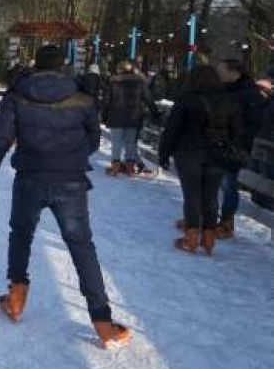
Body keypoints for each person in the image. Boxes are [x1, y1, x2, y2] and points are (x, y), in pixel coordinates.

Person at [0, 44, 132, 349]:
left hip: (30, 178)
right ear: (64, 66)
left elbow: (0, 140)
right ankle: (102, 323)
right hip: (70, 182)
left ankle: (16, 299)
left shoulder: (18, 94)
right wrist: (70, 157)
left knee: (20, 236)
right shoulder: (82, 97)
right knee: (81, 247)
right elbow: (93, 140)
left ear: (37, 65)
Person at [158, 64, 244, 255]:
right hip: (217, 154)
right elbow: (238, 132)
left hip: (189, 152)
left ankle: (191, 237)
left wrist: (164, 154)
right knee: (211, 196)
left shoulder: (186, 100)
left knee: (192, 195)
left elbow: (172, 129)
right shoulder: (229, 101)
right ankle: (209, 238)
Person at [213, 59, 268, 238]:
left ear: (234, 72)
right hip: (220, 144)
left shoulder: (249, 94)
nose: (219, 74)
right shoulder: (226, 91)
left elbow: (253, 124)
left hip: (234, 147)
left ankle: (226, 222)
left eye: (222, 70)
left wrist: (237, 142)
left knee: (229, 184)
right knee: (217, 182)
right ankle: (211, 218)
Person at [103, 61, 153, 176]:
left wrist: (104, 116)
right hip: (133, 117)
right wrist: (155, 112)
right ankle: (130, 168)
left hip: (116, 117)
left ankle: (115, 168)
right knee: (130, 143)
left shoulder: (113, 82)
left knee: (116, 144)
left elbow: (106, 101)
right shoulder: (140, 83)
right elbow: (148, 99)